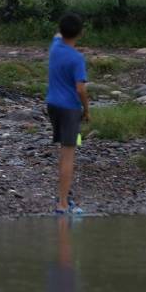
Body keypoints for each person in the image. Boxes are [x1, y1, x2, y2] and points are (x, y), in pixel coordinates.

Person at [46, 13, 90, 215]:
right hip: (70, 109)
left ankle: (63, 196)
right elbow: (80, 89)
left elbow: (58, 34)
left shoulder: (55, 47)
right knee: (68, 156)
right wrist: (86, 110)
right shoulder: (77, 58)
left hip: (52, 106)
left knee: (64, 151)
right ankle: (63, 204)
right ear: (81, 33)